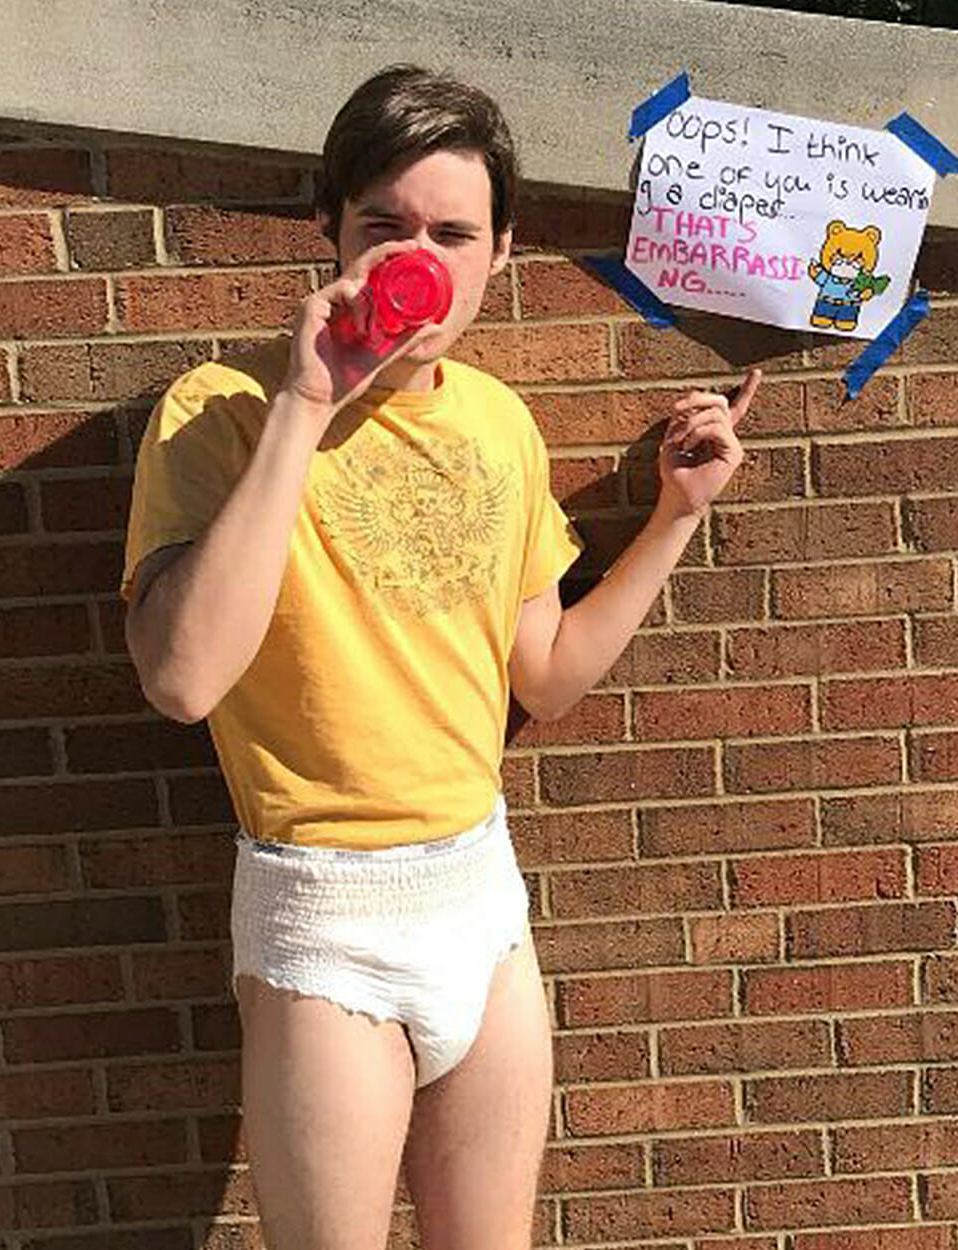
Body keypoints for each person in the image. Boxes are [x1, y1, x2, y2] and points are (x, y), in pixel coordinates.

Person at [121, 66, 752, 1248]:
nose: (421, 257)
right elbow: (182, 677)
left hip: (478, 898)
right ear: (332, 233)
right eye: (385, 227)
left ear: (501, 252)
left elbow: (546, 677)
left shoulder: (499, 420)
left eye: (455, 232)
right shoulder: (223, 412)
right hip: (323, 916)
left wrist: (673, 514)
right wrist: (311, 401)